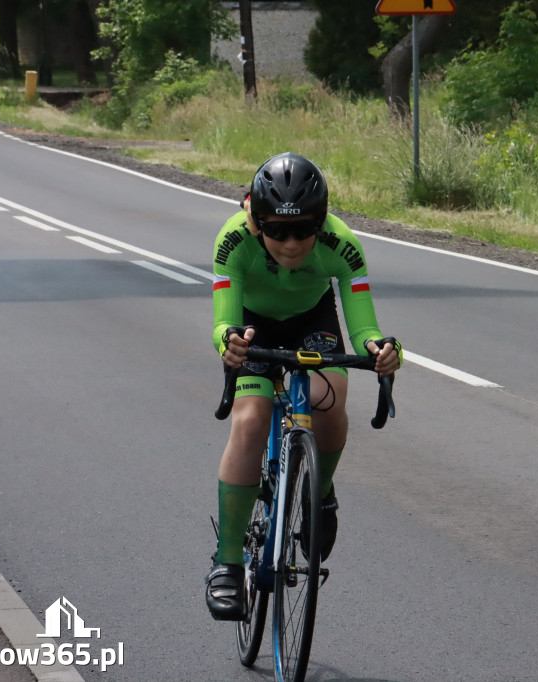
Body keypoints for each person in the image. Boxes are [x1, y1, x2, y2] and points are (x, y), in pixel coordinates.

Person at [206, 152, 401, 620]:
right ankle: (228, 564)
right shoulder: (233, 239)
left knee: (329, 405)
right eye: (277, 230)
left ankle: (322, 492)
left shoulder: (342, 243)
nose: (291, 243)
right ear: (255, 220)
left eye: (304, 230)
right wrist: (229, 344)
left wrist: (381, 349)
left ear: (322, 221)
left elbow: (364, 326)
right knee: (250, 421)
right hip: (253, 327)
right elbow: (225, 322)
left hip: (313, 322)